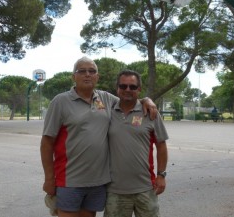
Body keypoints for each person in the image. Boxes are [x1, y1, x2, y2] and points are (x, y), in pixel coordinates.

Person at [40, 57, 157, 217]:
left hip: (98, 182)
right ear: (74, 76)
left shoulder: (106, 99)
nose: (87, 74)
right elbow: (47, 143)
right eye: (82, 71)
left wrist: (147, 100)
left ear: (97, 77)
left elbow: (129, 99)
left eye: (92, 71)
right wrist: (49, 178)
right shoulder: (60, 101)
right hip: (69, 181)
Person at [104, 70, 168, 217]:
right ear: (117, 88)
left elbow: (161, 145)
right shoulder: (107, 111)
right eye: (123, 86)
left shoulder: (151, 113)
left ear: (139, 89)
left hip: (146, 188)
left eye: (132, 87)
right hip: (115, 190)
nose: (128, 90)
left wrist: (162, 175)